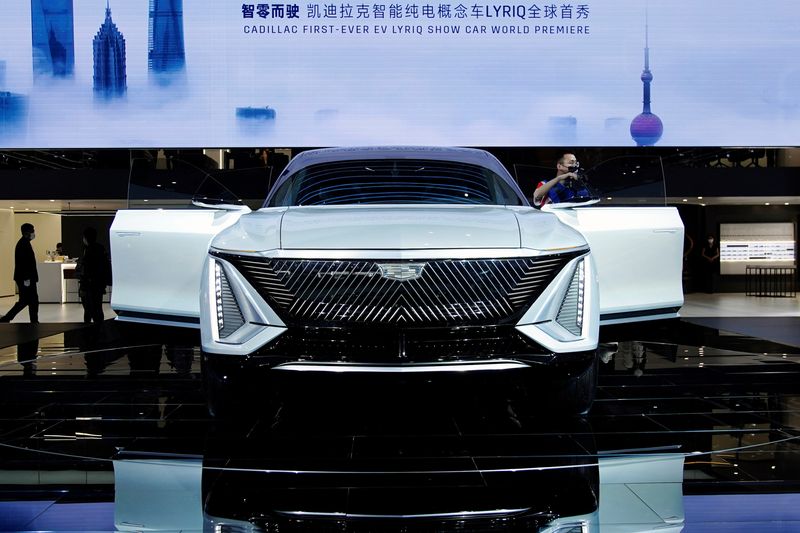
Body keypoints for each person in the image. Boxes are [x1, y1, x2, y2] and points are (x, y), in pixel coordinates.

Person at [0, 223, 39, 324]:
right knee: (28, 300)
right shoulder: (23, 244)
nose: (34, 233)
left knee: (29, 301)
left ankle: (32, 320)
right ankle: (7, 318)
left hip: (26, 278)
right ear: (27, 232)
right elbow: (24, 262)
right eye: (32, 231)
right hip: (26, 278)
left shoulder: (24, 243)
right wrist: (27, 278)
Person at [76, 227, 110, 325]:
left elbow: (85, 269)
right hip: (98, 285)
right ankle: (100, 329)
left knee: (88, 309)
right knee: (98, 308)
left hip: (88, 285)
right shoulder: (101, 248)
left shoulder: (87, 250)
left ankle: (88, 330)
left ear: (86, 238)